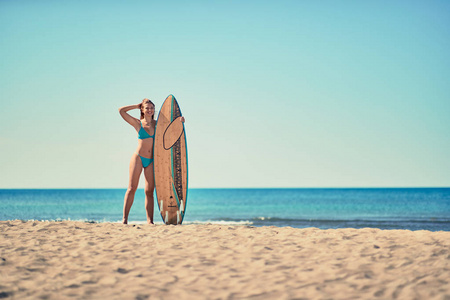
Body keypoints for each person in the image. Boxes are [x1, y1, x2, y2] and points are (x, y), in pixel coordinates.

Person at [118, 99, 158, 225]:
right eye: (147, 108)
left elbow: (173, 128)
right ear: (142, 109)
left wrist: (181, 121)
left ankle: (150, 221)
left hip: (151, 160)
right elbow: (121, 111)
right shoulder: (137, 123)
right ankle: (124, 219)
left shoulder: (158, 124)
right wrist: (136, 106)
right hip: (138, 158)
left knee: (149, 191)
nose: (150, 110)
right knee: (131, 188)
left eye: (152, 107)